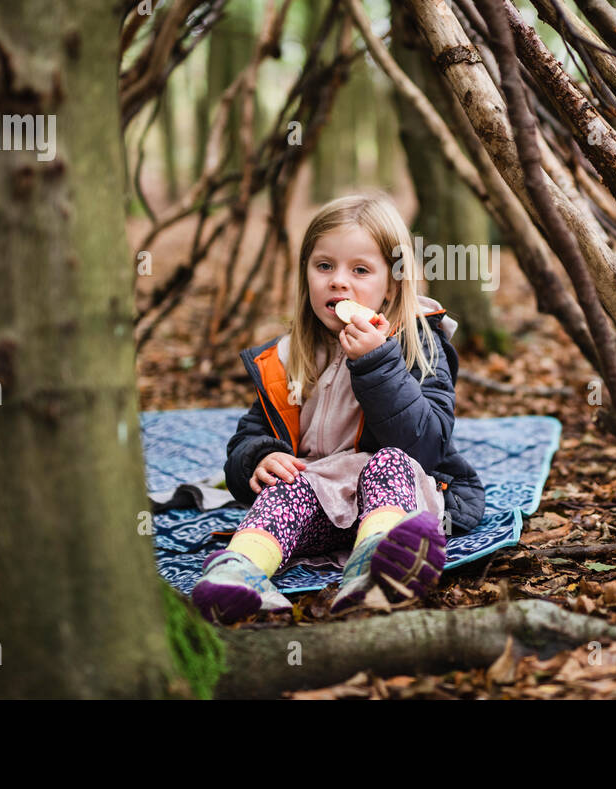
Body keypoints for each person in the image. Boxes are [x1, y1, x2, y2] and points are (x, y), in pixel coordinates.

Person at [191, 192, 486, 624]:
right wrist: (258, 458)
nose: (338, 282)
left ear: (392, 285)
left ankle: (375, 568)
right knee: (287, 486)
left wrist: (377, 362)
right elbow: (248, 436)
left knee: (389, 463)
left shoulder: (415, 344)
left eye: (360, 270)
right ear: (305, 274)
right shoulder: (289, 356)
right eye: (324, 266)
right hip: (319, 505)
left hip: (398, 500)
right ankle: (239, 572)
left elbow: (426, 444)